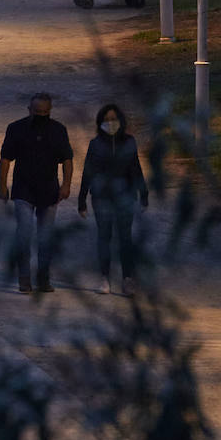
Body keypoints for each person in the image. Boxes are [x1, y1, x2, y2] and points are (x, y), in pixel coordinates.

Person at [0, 93, 73, 294]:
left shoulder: (58, 130)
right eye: (37, 111)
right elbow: (5, 158)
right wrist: (2, 186)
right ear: (29, 109)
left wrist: (66, 185)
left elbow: (67, 159)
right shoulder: (16, 128)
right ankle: (24, 278)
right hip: (23, 189)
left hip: (49, 191)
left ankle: (43, 279)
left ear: (50, 111)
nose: (40, 115)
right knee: (23, 233)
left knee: (45, 237)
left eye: (44, 112)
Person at [77, 103, 148, 296]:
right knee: (104, 238)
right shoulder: (95, 144)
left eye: (113, 119)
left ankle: (127, 279)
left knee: (125, 239)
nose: (110, 123)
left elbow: (136, 169)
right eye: (106, 120)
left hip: (125, 197)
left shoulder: (129, 142)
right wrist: (81, 200)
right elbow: (88, 172)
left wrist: (144, 195)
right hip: (102, 198)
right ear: (100, 122)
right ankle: (104, 278)